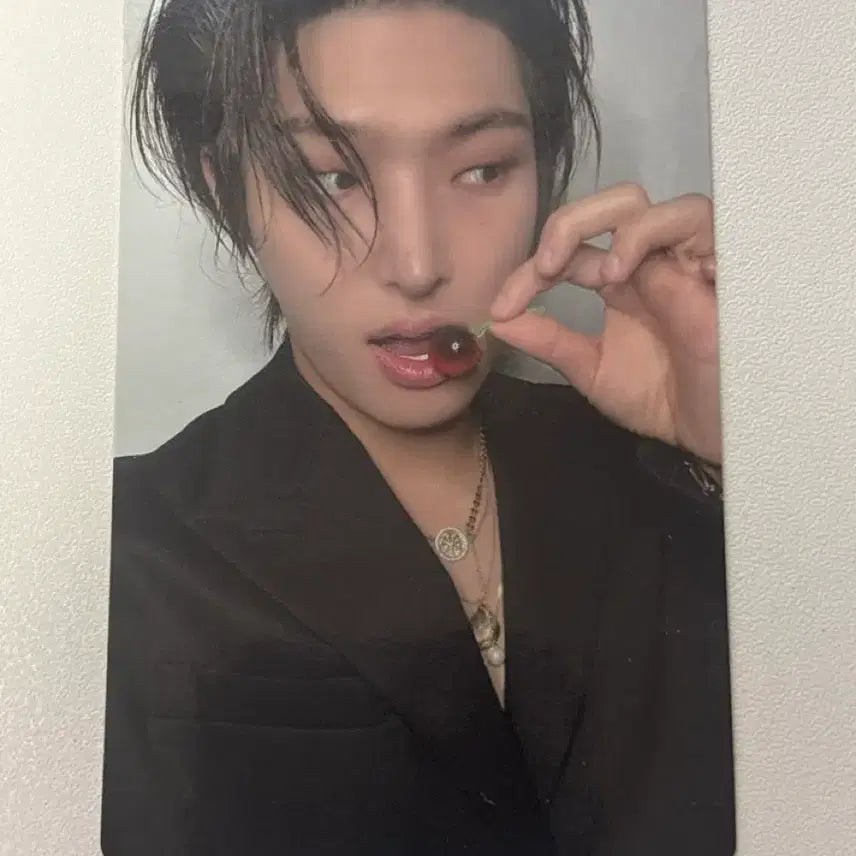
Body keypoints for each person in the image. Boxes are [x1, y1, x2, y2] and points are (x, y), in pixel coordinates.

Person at [102, 1, 734, 854]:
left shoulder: (674, 470)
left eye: (482, 170)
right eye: (332, 178)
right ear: (227, 193)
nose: (417, 265)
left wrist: (756, 435)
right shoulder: (121, 551)